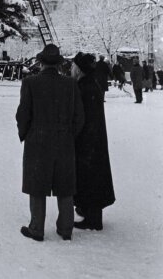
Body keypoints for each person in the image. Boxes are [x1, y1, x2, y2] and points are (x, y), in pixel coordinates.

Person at [16, 44, 84, 242]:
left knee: (37, 184)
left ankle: (36, 228)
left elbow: (23, 114)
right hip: (64, 141)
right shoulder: (70, 84)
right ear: (59, 64)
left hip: (38, 140)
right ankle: (66, 229)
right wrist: (70, 135)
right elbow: (79, 117)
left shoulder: (30, 82)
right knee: (65, 186)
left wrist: (25, 134)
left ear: (41, 62)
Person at [71, 52, 115, 231]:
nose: (71, 69)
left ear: (80, 69)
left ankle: (92, 218)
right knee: (93, 177)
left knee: (89, 178)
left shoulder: (83, 87)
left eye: (73, 66)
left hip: (88, 141)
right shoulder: (90, 84)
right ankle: (90, 213)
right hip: (94, 140)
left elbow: (81, 117)